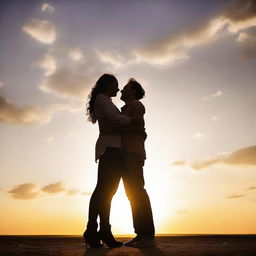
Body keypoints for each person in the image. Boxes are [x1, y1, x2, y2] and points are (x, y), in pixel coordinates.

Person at [84, 74, 133, 248]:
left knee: (108, 192)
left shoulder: (105, 100)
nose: (118, 89)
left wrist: (123, 124)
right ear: (108, 85)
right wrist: (133, 121)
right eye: (115, 85)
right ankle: (92, 230)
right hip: (109, 149)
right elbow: (115, 119)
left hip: (114, 149)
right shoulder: (102, 98)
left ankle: (103, 231)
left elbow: (115, 121)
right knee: (102, 190)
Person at [120, 78, 155, 248]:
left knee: (137, 193)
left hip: (133, 153)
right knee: (132, 194)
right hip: (128, 153)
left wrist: (118, 126)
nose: (121, 90)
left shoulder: (135, 105)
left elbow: (139, 128)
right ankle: (140, 234)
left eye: (125, 87)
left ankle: (147, 235)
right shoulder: (126, 107)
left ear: (133, 91)